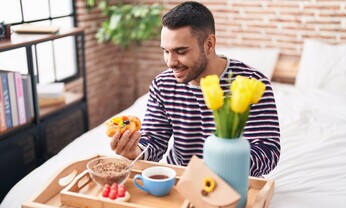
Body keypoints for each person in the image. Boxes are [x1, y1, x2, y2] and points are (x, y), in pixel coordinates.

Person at [110, 1, 280, 177]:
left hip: (233, 182)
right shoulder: (163, 85)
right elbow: (154, 140)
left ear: (209, 44)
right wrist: (135, 152)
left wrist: (224, 168)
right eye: (166, 51)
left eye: (181, 51)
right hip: (180, 179)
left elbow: (268, 150)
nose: (170, 62)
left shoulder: (252, 84)